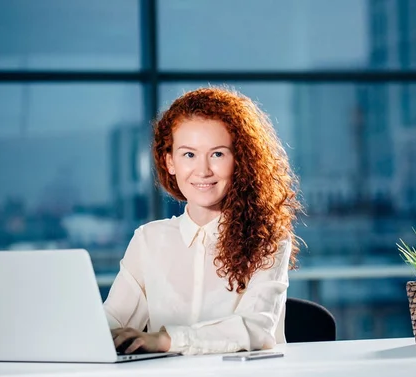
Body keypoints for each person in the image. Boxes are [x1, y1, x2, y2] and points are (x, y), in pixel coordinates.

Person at [104, 87, 303, 356]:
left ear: (240, 161)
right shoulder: (148, 240)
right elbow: (112, 323)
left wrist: (164, 340)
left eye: (218, 154)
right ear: (170, 162)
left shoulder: (268, 239)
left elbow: (256, 329)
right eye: (189, 155)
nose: (203, 170)